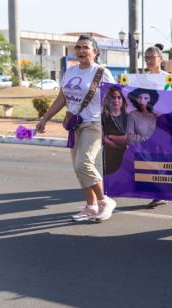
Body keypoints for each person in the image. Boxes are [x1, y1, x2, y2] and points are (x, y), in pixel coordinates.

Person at [36, 35, 116, 222]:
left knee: (83, 163)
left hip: (94, 124)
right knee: (77, 167)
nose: (80, 50)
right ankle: (91, 205)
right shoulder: (70, 72)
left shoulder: (102, 72)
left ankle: (105, 201)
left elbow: (114, 99)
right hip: (75, 125)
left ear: (95, 52)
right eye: (77, 47)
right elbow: (61, 99)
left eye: (85, 47)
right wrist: (45, 119)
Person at [143, 45, 170, 208]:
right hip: (145, 124)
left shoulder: (168, 78)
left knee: (161, 158)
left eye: (152, 57)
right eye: (146, 58)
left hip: (163, 124)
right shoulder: (141, 79)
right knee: (149, 158)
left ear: (160, 58)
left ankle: (161, 193)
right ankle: (156, 191)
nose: (149, 61)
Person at [101, 86, 128, 175]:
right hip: (109, 159)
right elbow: (103, 140)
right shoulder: (103, 117)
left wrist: (110, 136)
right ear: (108, 99)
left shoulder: (129, 118)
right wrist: (121, 144)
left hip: (126, 160)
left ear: (123, 100)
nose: (116, 100)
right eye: (113, 97)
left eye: (119, 97)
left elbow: (129, 139)